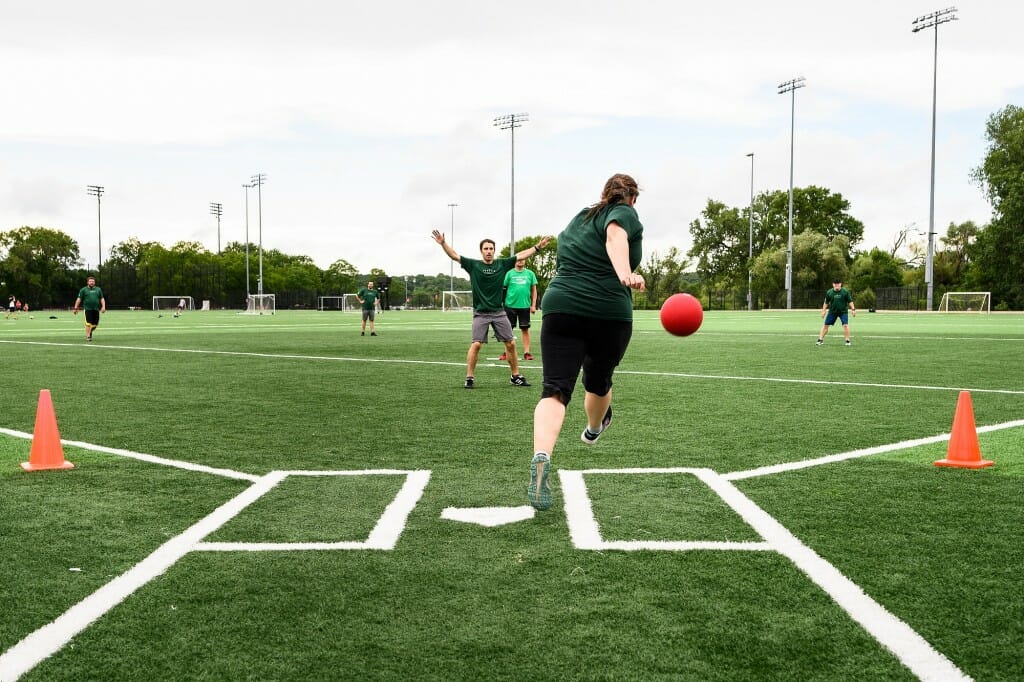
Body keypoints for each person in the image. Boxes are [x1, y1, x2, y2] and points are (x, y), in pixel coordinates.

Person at [526, 173, 645, 511]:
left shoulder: (580, 216)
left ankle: (542, 454)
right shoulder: (623, 212)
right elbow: (615, 236)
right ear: (632, 198)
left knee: (555, 389)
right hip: (608, 310)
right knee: (598, 380)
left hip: (561, 306)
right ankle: (595, 427)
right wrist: (624, 272)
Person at [431, 229, 551, 388]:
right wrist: (443, 243)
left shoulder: (502, 264)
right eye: (486, 249)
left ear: (494, 251)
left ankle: (515, 376)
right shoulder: (473, 265)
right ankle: (469, 378)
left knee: (511, 344)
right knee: (476, 344)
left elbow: (522, 255)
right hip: (480, 313)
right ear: (481, 251)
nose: (488, 251)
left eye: (491, 248)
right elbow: (454, 255)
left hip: (499, 312)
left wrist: (538, 247)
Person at [499, 259, 539, 361]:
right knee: (508, 330)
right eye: (518, 259)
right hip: (510, 306)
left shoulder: (530, 274)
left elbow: (534, 291)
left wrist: (533, 305)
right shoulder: (509, 273)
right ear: (515, 261)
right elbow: (503, 289)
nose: (520, 261)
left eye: (522, 259)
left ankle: (527, 353)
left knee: (525, 329)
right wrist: (501, 303)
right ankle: (506, 352)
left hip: (525, 306)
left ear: (525, 261)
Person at [817, 279, 856, 347]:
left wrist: (853, 309)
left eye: (838, 283)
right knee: (826, 325)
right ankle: (820, 340)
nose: (837, 285)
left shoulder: (845, 292)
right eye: (835, 284)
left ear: (840, 284)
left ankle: (847, 341)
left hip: (843, 312)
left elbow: (850, 301)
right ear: (833, 284)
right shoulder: (829, 292)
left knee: (845, 325)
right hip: (832, 311)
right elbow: (826, 303)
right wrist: (823, 311)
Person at [73, 275, 106, 342]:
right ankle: (88, 336)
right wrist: (75, 308)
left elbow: (102, 299)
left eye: (93, 281)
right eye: (90, 281)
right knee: (88, 323)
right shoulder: (83, 290)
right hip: (87, 309)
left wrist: (103, 306)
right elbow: (79, 299)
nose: (91, 282)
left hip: (96, 309)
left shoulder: (98, 289)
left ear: (95, 282)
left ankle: (89, 331)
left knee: (95, 324)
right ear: (87, 282)